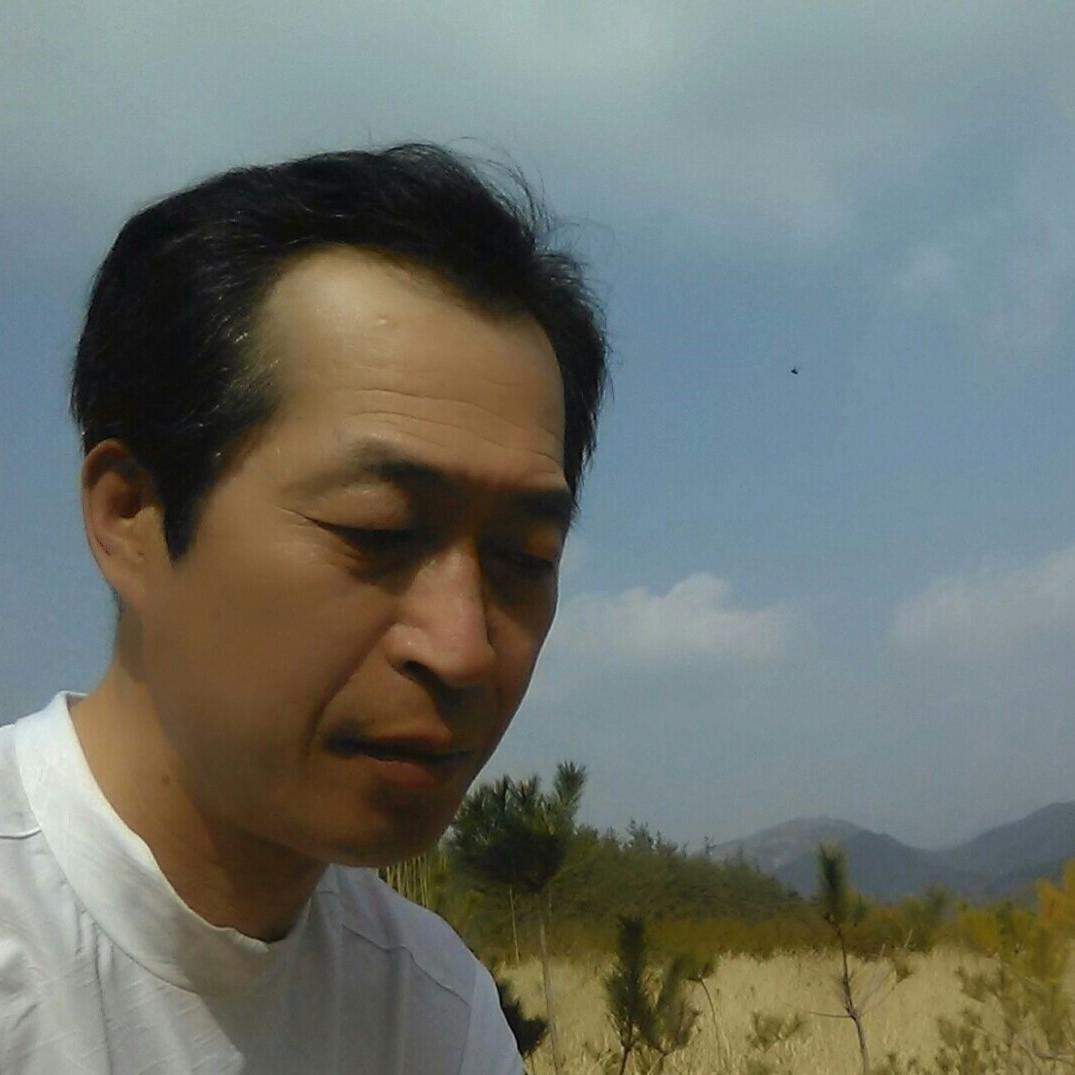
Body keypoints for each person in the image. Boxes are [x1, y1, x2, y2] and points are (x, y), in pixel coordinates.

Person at [0, 144, 607, 1073]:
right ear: (132, 517)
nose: (463, 648)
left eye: (524, 559)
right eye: (377, 531)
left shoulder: (435, 1014)